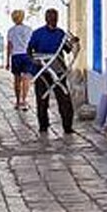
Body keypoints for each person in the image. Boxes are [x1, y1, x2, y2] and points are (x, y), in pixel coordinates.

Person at [28, 8, 76, 136]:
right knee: (42, 99)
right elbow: (29, 50)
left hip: (58, 70)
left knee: (64, 98)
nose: (53, 20)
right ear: (46, 18)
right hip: (42, 70)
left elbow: (67, 49)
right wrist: (34, 61)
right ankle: (43, 126)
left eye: (55, 18)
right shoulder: (37, 33)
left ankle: (67, 126)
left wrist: (72, 43)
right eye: (51, 18)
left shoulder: (60, 33)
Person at [5, 8, 34, 111]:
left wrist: (7, 60)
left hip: (15, 56)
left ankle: (17, 101)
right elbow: (32, 44)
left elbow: (9, 46)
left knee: (17, 80)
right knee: (26, 79)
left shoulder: (11, 31)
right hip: (26, 55)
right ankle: (24, 101)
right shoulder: (28, 29)